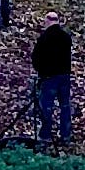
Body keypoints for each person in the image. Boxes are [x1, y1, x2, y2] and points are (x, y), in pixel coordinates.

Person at [30, 14, 74, 150]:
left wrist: (41, 71)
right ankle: (65, 135)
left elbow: (35, 58)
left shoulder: (44, 38)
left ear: (47, 21)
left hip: (49, 78)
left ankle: (45, 135)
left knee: (46, 107)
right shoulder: (66, 37)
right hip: (64, 76)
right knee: (65, 106)